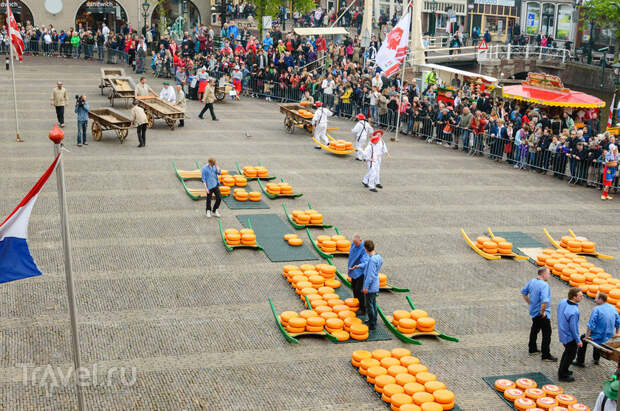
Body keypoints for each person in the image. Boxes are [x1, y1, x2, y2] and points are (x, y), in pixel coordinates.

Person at [521, 267, 557, 362]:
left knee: (535, 329)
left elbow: (523, 292)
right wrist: (542, 312)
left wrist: (529, 303)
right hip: (541, 313)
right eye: (549, 273)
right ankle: (546, 355)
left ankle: (532, 349)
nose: (550, 275)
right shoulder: (544, 285)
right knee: (547, 334)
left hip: (533, 312)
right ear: (543, 274)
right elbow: (545, 301)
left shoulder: (532, 281)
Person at [574, 292, 620, 366]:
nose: (595, 300)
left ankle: (580, 361)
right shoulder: (613, 308)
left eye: (596, 298)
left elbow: (591, 324)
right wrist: (617, 333)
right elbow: (618, 322)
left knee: (583, 338)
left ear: (601, 299)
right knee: (598, 336)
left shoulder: (597, 309)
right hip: (609, 336)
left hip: (599, 336)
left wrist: (587, 336)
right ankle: (596, 359)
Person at [557, 287, 584, 382]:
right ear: (574, 297)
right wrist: (578, 340)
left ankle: (564, 370)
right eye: (580, 296)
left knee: (566, 353)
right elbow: (574, 328)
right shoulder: (574, 311)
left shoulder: (562, 302)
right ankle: (562, 375)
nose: (582, 297)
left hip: (562, 332)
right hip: (570, 336)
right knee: (570, 355)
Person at [360, 240, 382, 330]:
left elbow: (370, 276)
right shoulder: (377, 257)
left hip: (371, 286)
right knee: (373, 303)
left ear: (366, 248)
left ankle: (372, 323)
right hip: (375, 284)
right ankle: (373, 320)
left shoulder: (372, 260)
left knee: (369, 305)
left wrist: (366, 287)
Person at [347, 234, 367, 315]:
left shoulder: (364, 248)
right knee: (354, 288)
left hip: (360, 271)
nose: (355, 244)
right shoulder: (353, 244)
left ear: (360, 241)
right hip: (353, 270)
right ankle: (356, 303)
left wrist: (358, 266)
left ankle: (363, 308)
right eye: (354, 242)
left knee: (359, 290)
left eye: (356, 243)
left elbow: (365, 261)